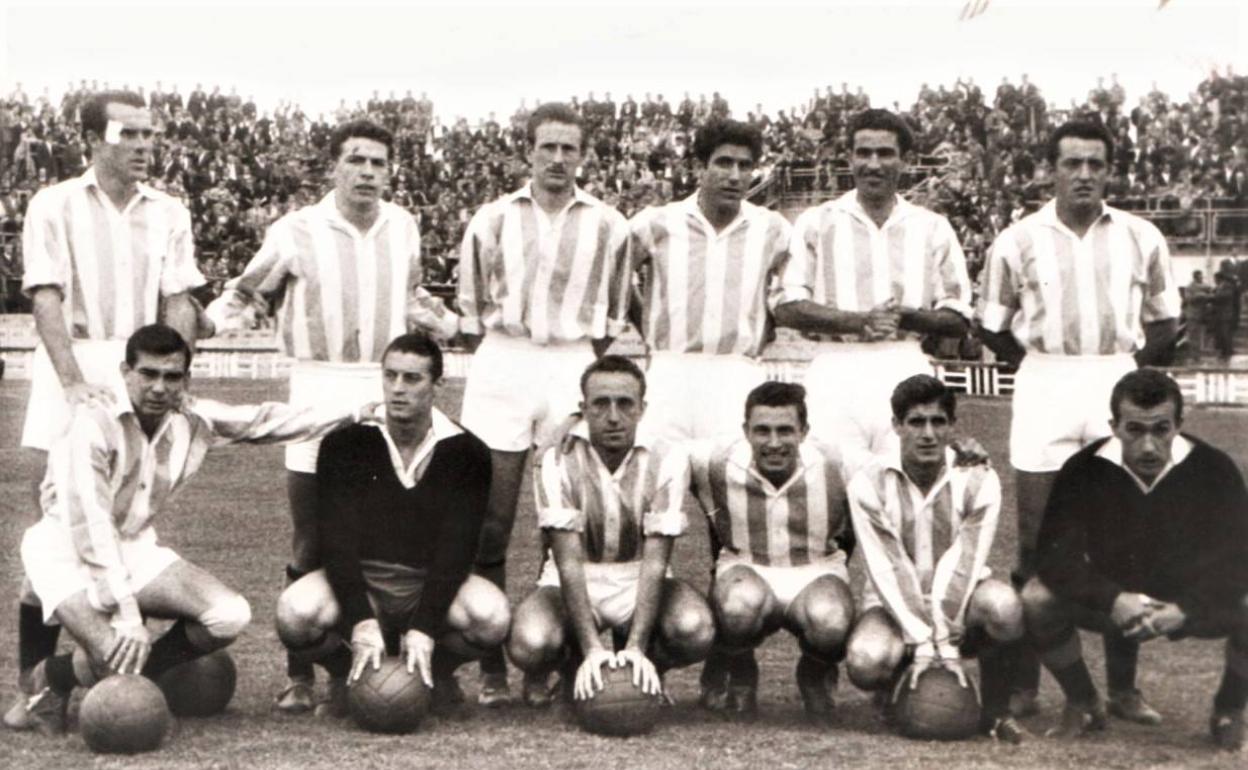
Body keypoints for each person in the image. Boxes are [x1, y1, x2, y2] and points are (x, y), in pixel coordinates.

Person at [16, 324, 375, 735]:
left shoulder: (191, 418)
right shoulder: (91, 423)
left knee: (229, 615)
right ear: (125, 372)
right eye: (148, 374)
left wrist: (355, 413)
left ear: (186, 380)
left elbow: (265, 421)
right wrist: (128, 616)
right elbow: (90, 526)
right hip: (63, 547)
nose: (158, 387)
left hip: (133, 546)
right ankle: (53, 684)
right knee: (114, 652)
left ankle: (59, 677)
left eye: (171, 377)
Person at [205, 119, 423, 713]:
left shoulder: (404, 227)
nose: (368, 172)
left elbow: (414, 297)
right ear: (334, 166)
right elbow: (246, 293)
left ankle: (354, 667)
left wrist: (453, 322)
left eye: (379, 162)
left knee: (373, 536)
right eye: (356, 160)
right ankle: (300, 672)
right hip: (315, 385)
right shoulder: (296, 229)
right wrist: (197, 328)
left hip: (380, 390)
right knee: (311, 537)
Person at [7, 90, 207, 730]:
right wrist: (71, 384)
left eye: (151, 134)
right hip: (79, 369)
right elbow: (45, 296)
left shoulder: (171, 211)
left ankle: (107, 667)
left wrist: (178, 373)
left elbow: (179, 298)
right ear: (92, 138)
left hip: (142, 367)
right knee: (57, 532)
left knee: (124, 518)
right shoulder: (53, 203)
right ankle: (35, 689)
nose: (146, 145)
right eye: (131, 134)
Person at [976, 119, 1180, 720]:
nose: (1084, 174)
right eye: (1073, 164)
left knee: (1124, 544)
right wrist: (1038, 369)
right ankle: (1027, 684)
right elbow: (989, 322)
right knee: (1036, 546)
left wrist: (1127, 378)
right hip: (1044, 380)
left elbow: (1167, 320)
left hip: (1114, 380)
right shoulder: (1016, 240)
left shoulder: (1142, 237)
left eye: (1096, 164)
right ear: (1052, 169)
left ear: (1109, 171)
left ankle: (1123, 690)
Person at [455, 103, 631, 705]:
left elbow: (609, 318)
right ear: (528, 151)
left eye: (570, 149)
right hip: (503, 359)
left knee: (569, 515)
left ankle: (552, 656)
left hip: (571, 361)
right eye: (547, 147)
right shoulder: (492, 217)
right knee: (491, 520)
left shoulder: (610, 224)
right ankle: (490, 668)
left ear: (584, 156)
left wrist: (574, 363)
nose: (558, 159)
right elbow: (473, 305)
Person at [274, 333, 510, 718]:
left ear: (438, 385)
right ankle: (344, 674)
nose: (398, 389)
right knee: (294, 614)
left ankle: (431, 674)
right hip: (363, 578)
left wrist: (426, 628)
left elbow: (457, 549)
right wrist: (361, 621)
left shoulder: (468, 451)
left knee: (492, 616)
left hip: (426, 580)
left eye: (412, 379)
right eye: (391, 376)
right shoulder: (344, 443)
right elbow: (336, 544)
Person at [1023, 369, 1248, 751]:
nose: (1147, 446)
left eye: (1160, 429)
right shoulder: (1083, 469)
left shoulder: (1213, 469)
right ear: (1114, 426)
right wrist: (1113, 599)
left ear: (1179, 424)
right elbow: (1053, 557)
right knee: (1036, 598)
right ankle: (1083, 701)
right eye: (1134, 430)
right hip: (1113, 598)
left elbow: (1239, 559)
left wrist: (1187, 608)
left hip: (1182, 600)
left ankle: (1228, 709)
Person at [506, 356, 714, 707]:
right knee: (530, 642)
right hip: (573, 576)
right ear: (583, 409)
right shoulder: (556, 459)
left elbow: (655, 563)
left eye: (625, 404)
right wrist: (591, 649)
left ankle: (646, 668)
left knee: (696, 628)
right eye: (601, 404)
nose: (613, 416)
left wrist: (635, 648)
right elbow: (568, 563)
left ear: (641, 409)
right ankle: (570, 665)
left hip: (638, 575)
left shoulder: (668, 458)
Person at [775, 108, 973, 474]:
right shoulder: (818, 221)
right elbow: (787, 306)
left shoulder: (932, 227)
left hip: (905, 360)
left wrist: (906, 316)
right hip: (835, 365)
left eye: (885, 153)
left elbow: (959, 317)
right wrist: (859, 321)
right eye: (863, 153)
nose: (873, 164)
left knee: (905, 486)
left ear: (906, 160)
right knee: (831, 487)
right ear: (849, 158)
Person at [845, 375, 1027, 743]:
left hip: (962, 597)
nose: (928, 434)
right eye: (916, 422)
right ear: (896, 426)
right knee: (865, 660)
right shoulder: (867, 481)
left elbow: (965, 561)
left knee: (1004, 606)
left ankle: (995, 711)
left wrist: (942, 639)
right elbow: (888, 565)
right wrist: (926, 642)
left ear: (952, 426)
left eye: (938, 422)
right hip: (891, 601)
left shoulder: (978, 478)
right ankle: (897, 687)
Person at [688, 382, 853, 725]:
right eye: (762, 430)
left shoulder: (839, 461)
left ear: (804, 432)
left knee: (832, 620)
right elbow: (658, 453)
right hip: (746, 565)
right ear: (745, 430)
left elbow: (901, 462)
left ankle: (814, 672)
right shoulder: (715, 460)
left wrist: (962, 455)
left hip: (815, 568)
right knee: (736, 606)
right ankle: (740, 667)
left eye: (785, 430)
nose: (774, 442)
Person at [629, 117, 791, 444]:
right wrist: (644, 321)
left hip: (737, 371)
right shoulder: (656, 222)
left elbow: (790, 297)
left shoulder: (774, 229)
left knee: (730, 488)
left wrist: (765, 328)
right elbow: (614, 281)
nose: (734, 176)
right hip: (669, 369)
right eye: (723, 163)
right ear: (700, 167)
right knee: (660, 484)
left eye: (745, 166)